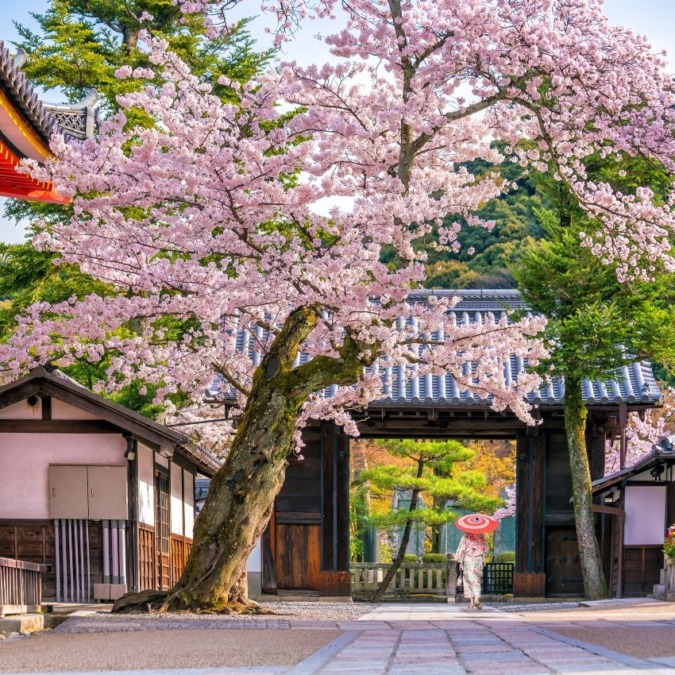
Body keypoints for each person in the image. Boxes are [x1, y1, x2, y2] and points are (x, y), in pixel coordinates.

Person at [455, 532, 488, 609]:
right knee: (477, 579)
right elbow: (486, 549)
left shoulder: (466, 536)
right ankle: (476, 598)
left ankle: (472, 602)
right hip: (478, 559)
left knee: (469, 580)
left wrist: (460, 561)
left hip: (468, 559)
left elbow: (461, 549)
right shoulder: (481, 536)